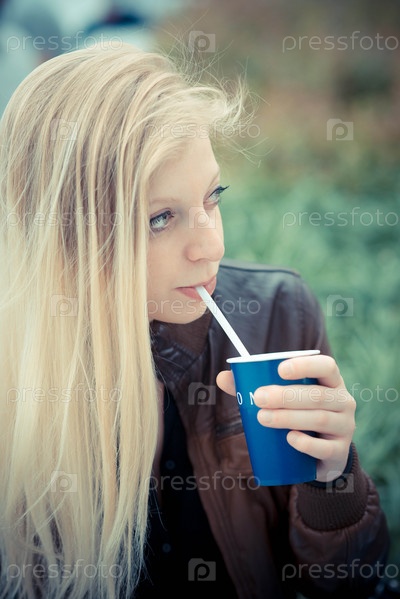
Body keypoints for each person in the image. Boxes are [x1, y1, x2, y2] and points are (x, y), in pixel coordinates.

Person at [0, 42, 390, 599]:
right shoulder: (17, 374)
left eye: (212, 196)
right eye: (161, 218)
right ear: (70, 237)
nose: (210, 246)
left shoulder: (277, 315)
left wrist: (333, 480)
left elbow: (346, 583)